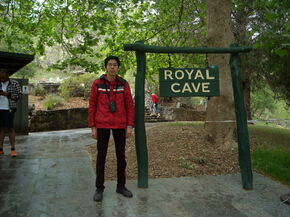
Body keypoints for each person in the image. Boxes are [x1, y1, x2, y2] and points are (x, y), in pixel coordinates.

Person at [88, 56, 135, 202]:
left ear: (118, 67)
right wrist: (93, 127)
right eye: (110, 64)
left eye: (115, 65)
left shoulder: (123, 84)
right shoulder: (97, 84)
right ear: (106, 67)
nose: (112, 67)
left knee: (121, 157)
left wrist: (129, 126)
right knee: (101, 156)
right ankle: (99, 188)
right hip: (102, 125)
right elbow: (92, 106)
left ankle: (121, 186)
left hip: (120, 125)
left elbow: (129, 106)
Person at [0, 69, 22, 157]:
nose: (1, 79)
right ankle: (0, 149)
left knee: (10, 128)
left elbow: (19, 96)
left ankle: (13, 149)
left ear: (7, 75)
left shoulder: (14, 83)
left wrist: (8, 94)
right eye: (0, 77)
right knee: (0, 129)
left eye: (3, 77)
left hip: (9, 108)